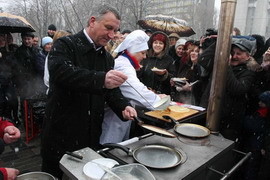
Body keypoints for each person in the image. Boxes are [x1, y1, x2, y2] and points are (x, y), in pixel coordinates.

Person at [41, 5, 137, 178]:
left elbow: (110, 91)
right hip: (61, 131)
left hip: (90, 134)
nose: (112, 35)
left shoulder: (107, 57)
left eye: (115, 30)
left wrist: (123, 106)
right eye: (108, 28)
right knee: (53, 174)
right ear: (92, 21)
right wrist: (101, 79)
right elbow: (62, 73)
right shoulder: (65, 44)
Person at [100, 30, 165, 144]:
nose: (145, 57)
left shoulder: (126, 63)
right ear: (133, 51)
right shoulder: (123, 65)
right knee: (110, 150)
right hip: (113, 121)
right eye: (143, 53)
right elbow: (137, 92)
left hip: (121, 118)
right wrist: (160, 101)